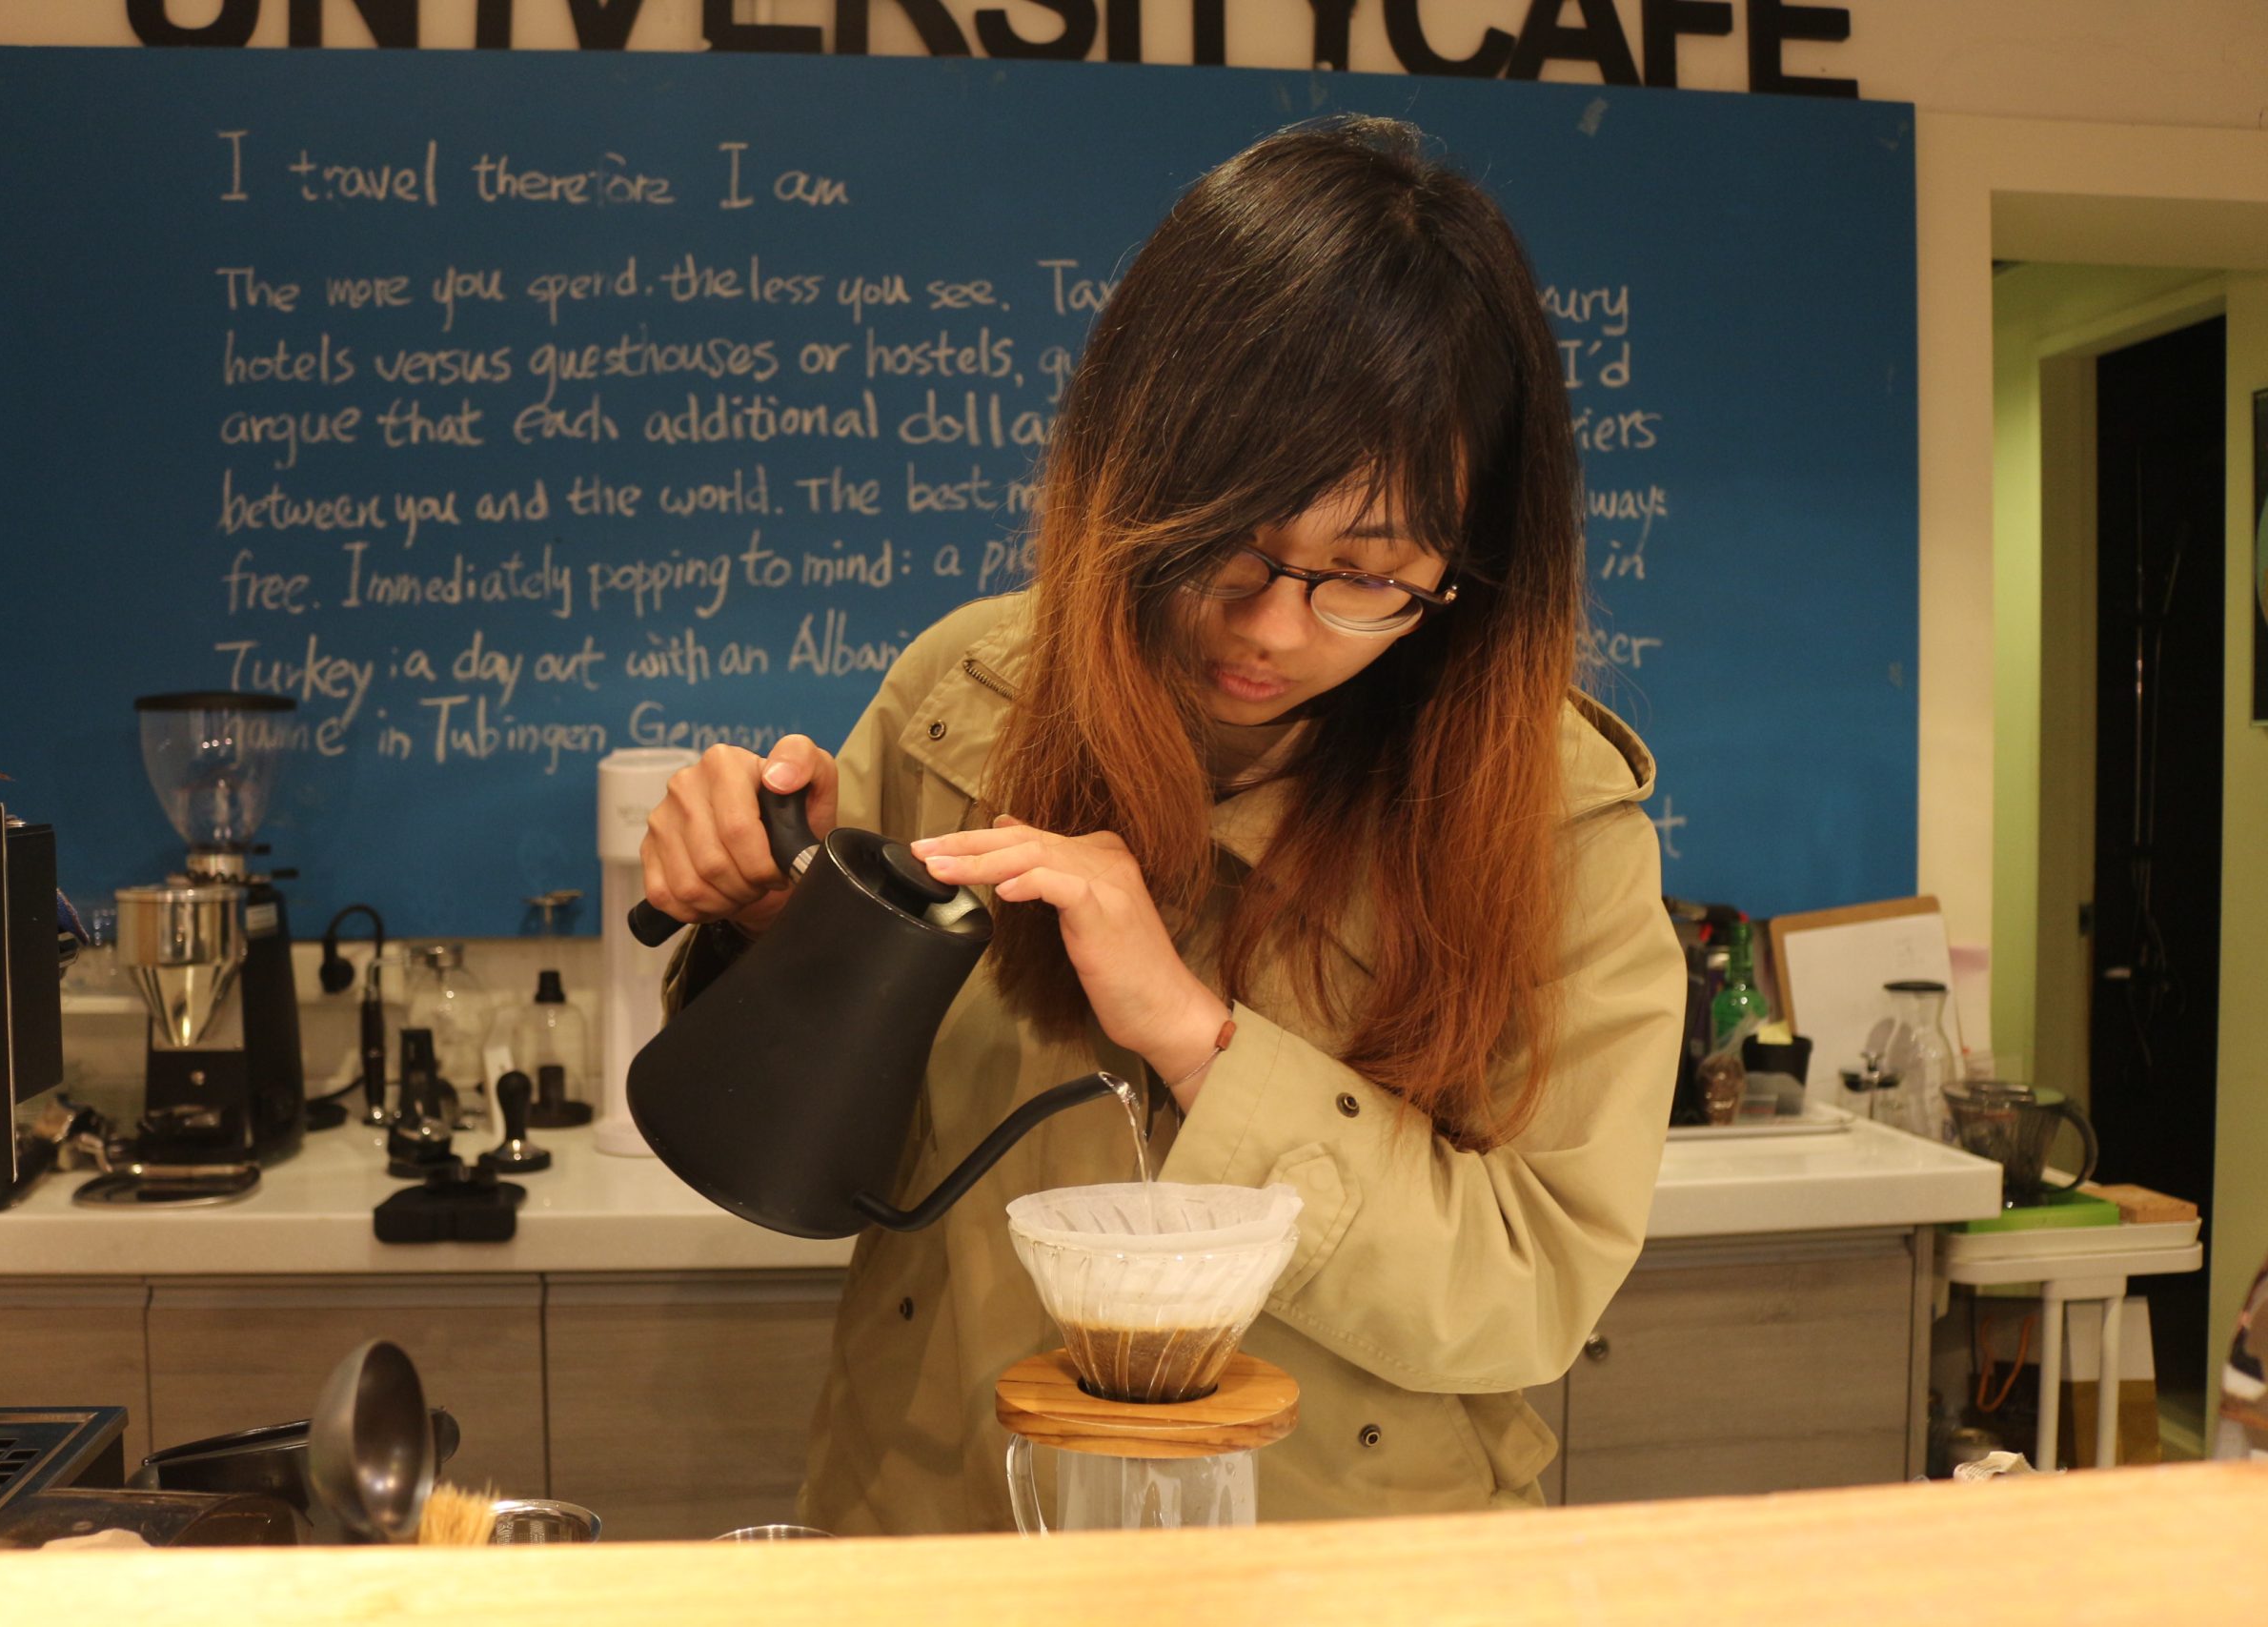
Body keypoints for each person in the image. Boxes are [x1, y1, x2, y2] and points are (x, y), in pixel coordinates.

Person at [640, 115, 1684, 1534]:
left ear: (1471, 559)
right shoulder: (966, 700)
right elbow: (818, 1163)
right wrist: (775, 929)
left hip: (1339, 1569)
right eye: (1228, 543)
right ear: (1125, 473)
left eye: (1367, 576)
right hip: (941, 1525)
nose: (1273, 631)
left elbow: (1530, 1290)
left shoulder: (1554, 827)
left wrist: (1199, 1042)